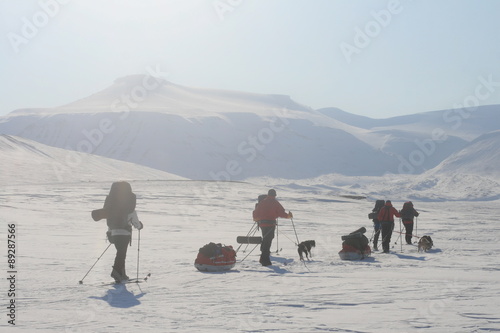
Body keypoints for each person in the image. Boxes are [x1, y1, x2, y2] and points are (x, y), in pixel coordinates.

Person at [103, 181, 143, 282]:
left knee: (120, 252)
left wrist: (109, 232)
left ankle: (122, 274)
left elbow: (109, 220)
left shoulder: (112, 207)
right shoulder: (129, 208)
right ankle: (116, 272)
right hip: (124, 233)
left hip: (114, 233)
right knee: (121, 254)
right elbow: (135, 221)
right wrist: (139, 226)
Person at [252, 189, 293, 266]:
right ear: (274, 195)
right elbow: (281, 213)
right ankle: (265, 261)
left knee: (266, 239)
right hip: (270, 224)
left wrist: (257, 219)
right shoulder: (275, 202)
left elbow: (255, 212)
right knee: (268, 241)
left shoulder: (262, 202)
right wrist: (288, 216)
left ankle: (263, 258)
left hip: (262, 224)